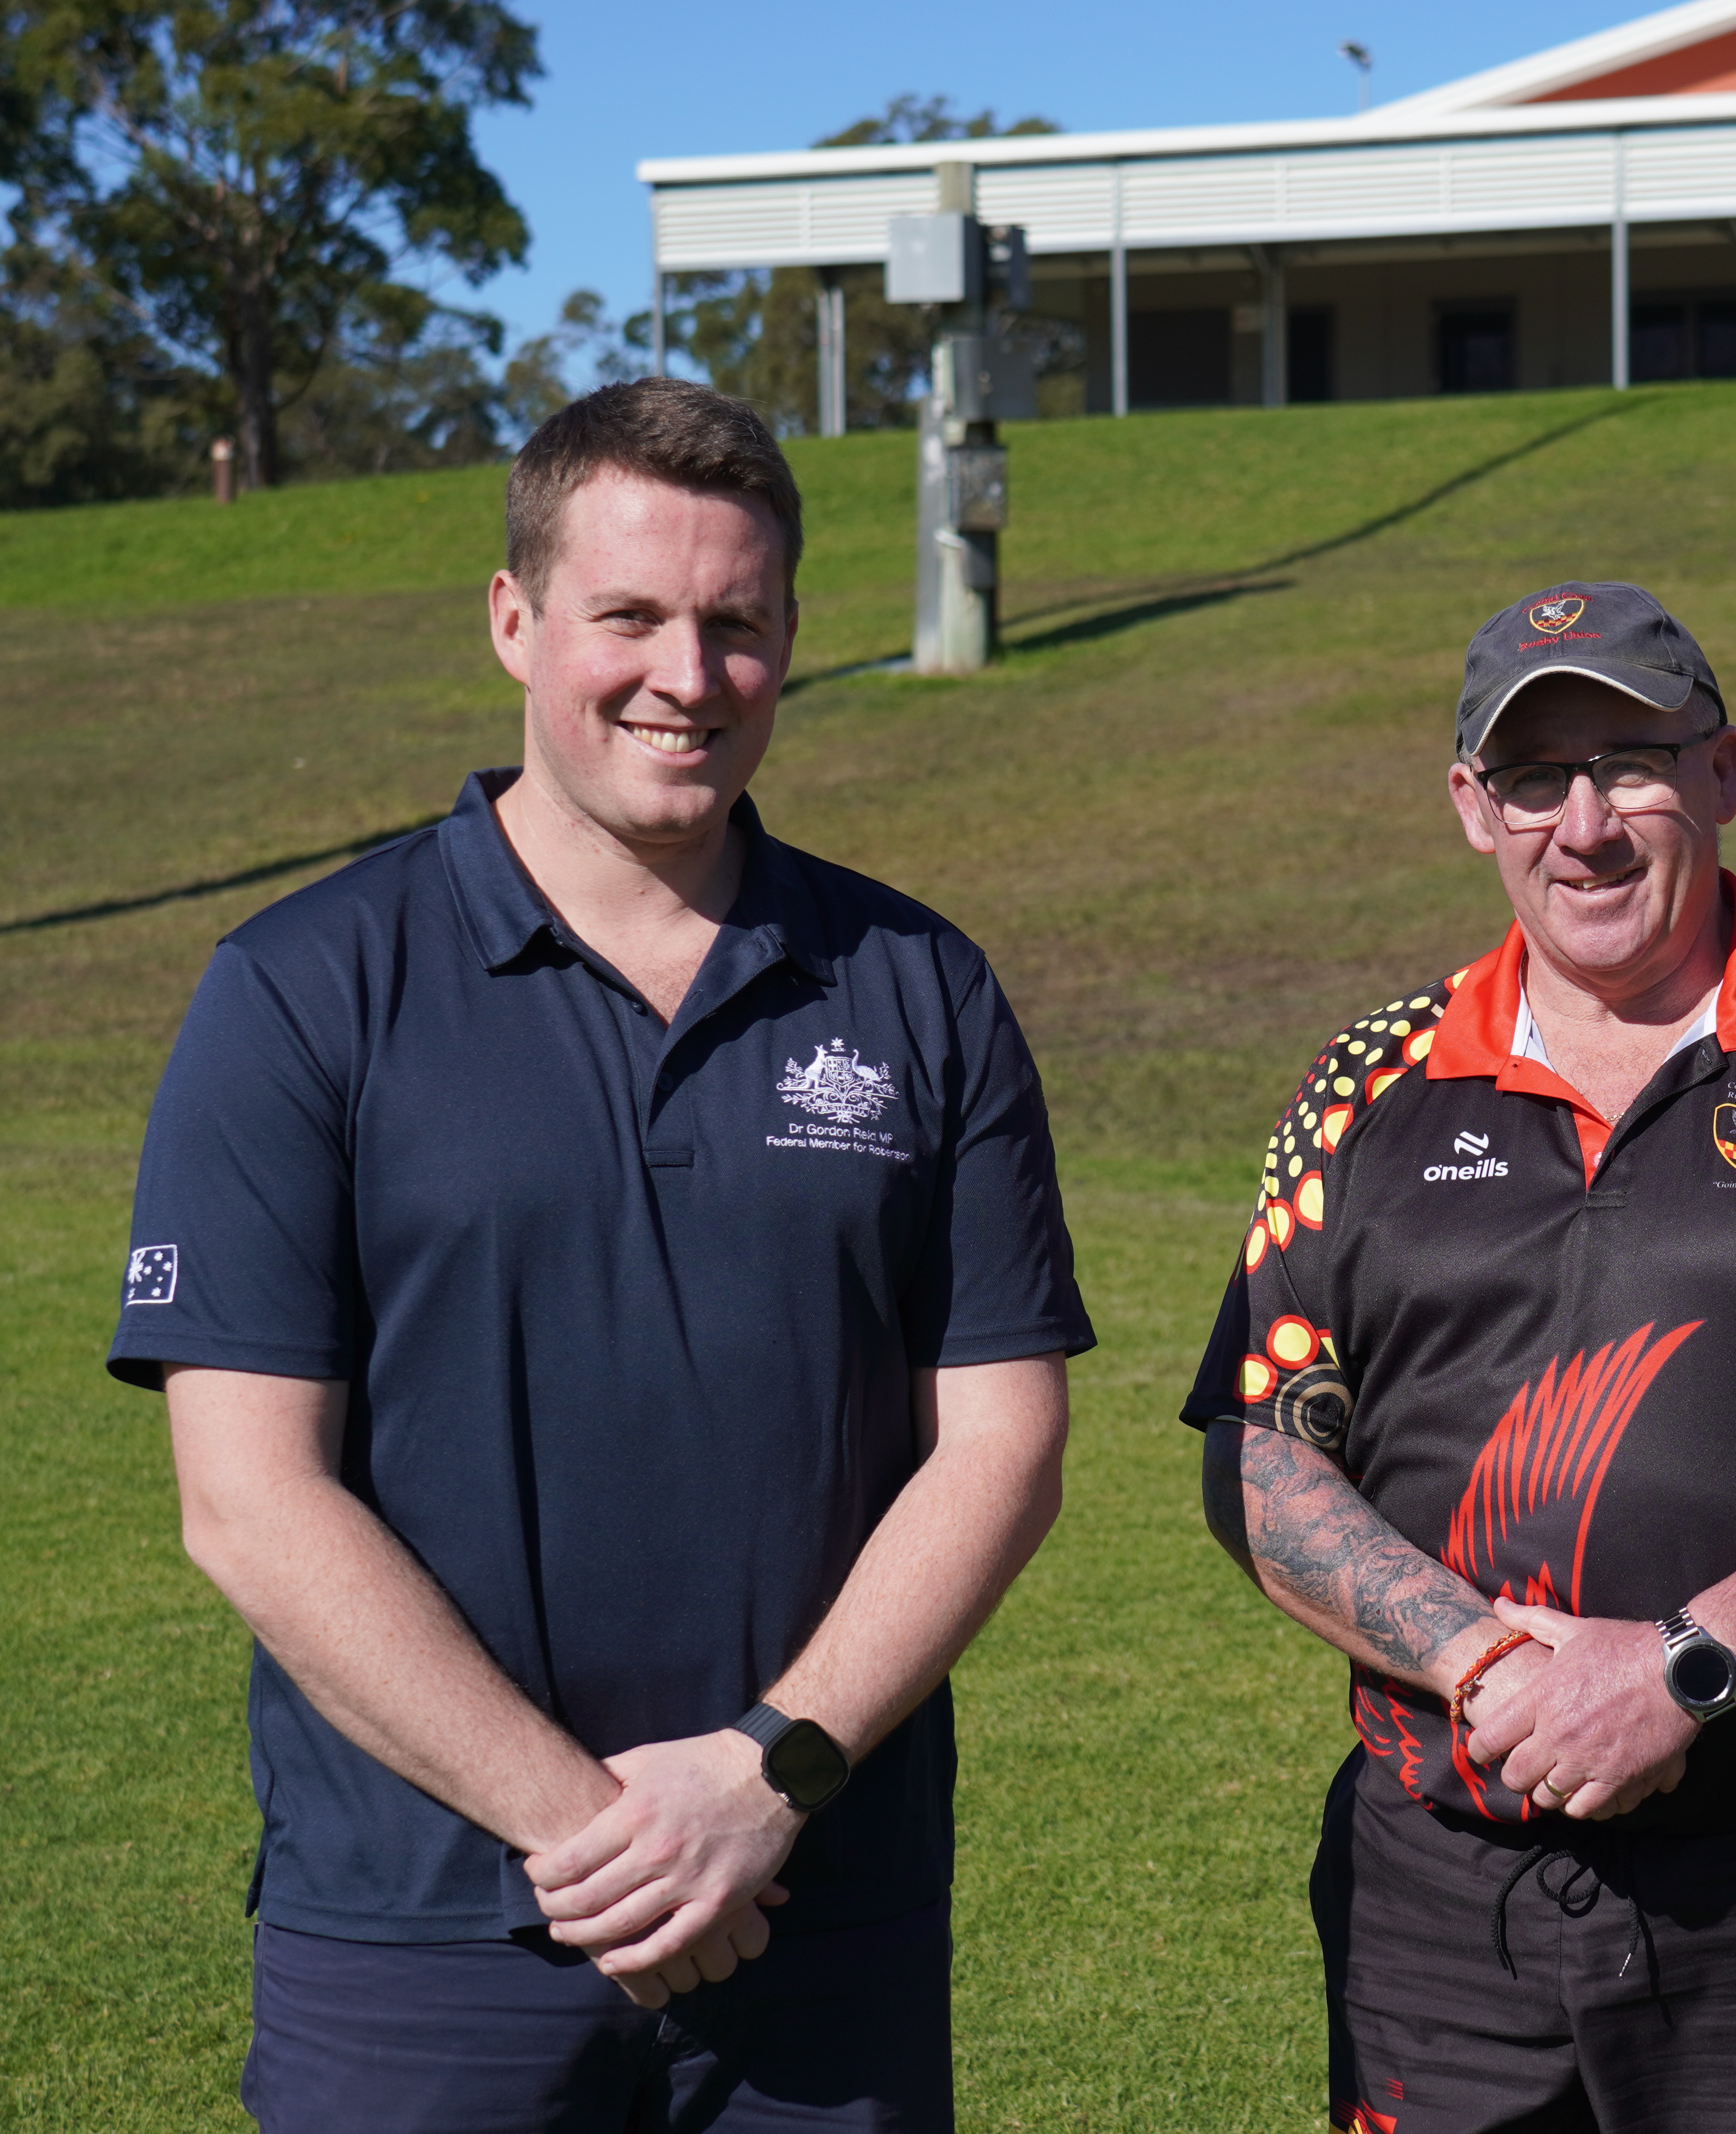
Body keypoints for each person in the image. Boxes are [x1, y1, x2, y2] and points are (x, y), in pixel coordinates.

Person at [108, 379, 1092, 2130]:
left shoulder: (917, 987)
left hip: (820, 1919)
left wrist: (765, 1783)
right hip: (420, 1942)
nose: (685, 676)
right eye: (626, 616)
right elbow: (248, 1498)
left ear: (792, 637)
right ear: (514, 621)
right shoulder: (303, 988)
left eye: (736, 625)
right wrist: (591, 1828)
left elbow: (1004, 1440)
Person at [1182, 581, 1736, 2133]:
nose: (1584, 824)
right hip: (1437, 1901)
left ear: (1722, 774)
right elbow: (1264, 1447)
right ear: (1473, 808)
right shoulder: (1370, 1077)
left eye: (1632, 763)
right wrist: (1490, 1667)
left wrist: (1680, 1669)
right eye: (1535, 777)